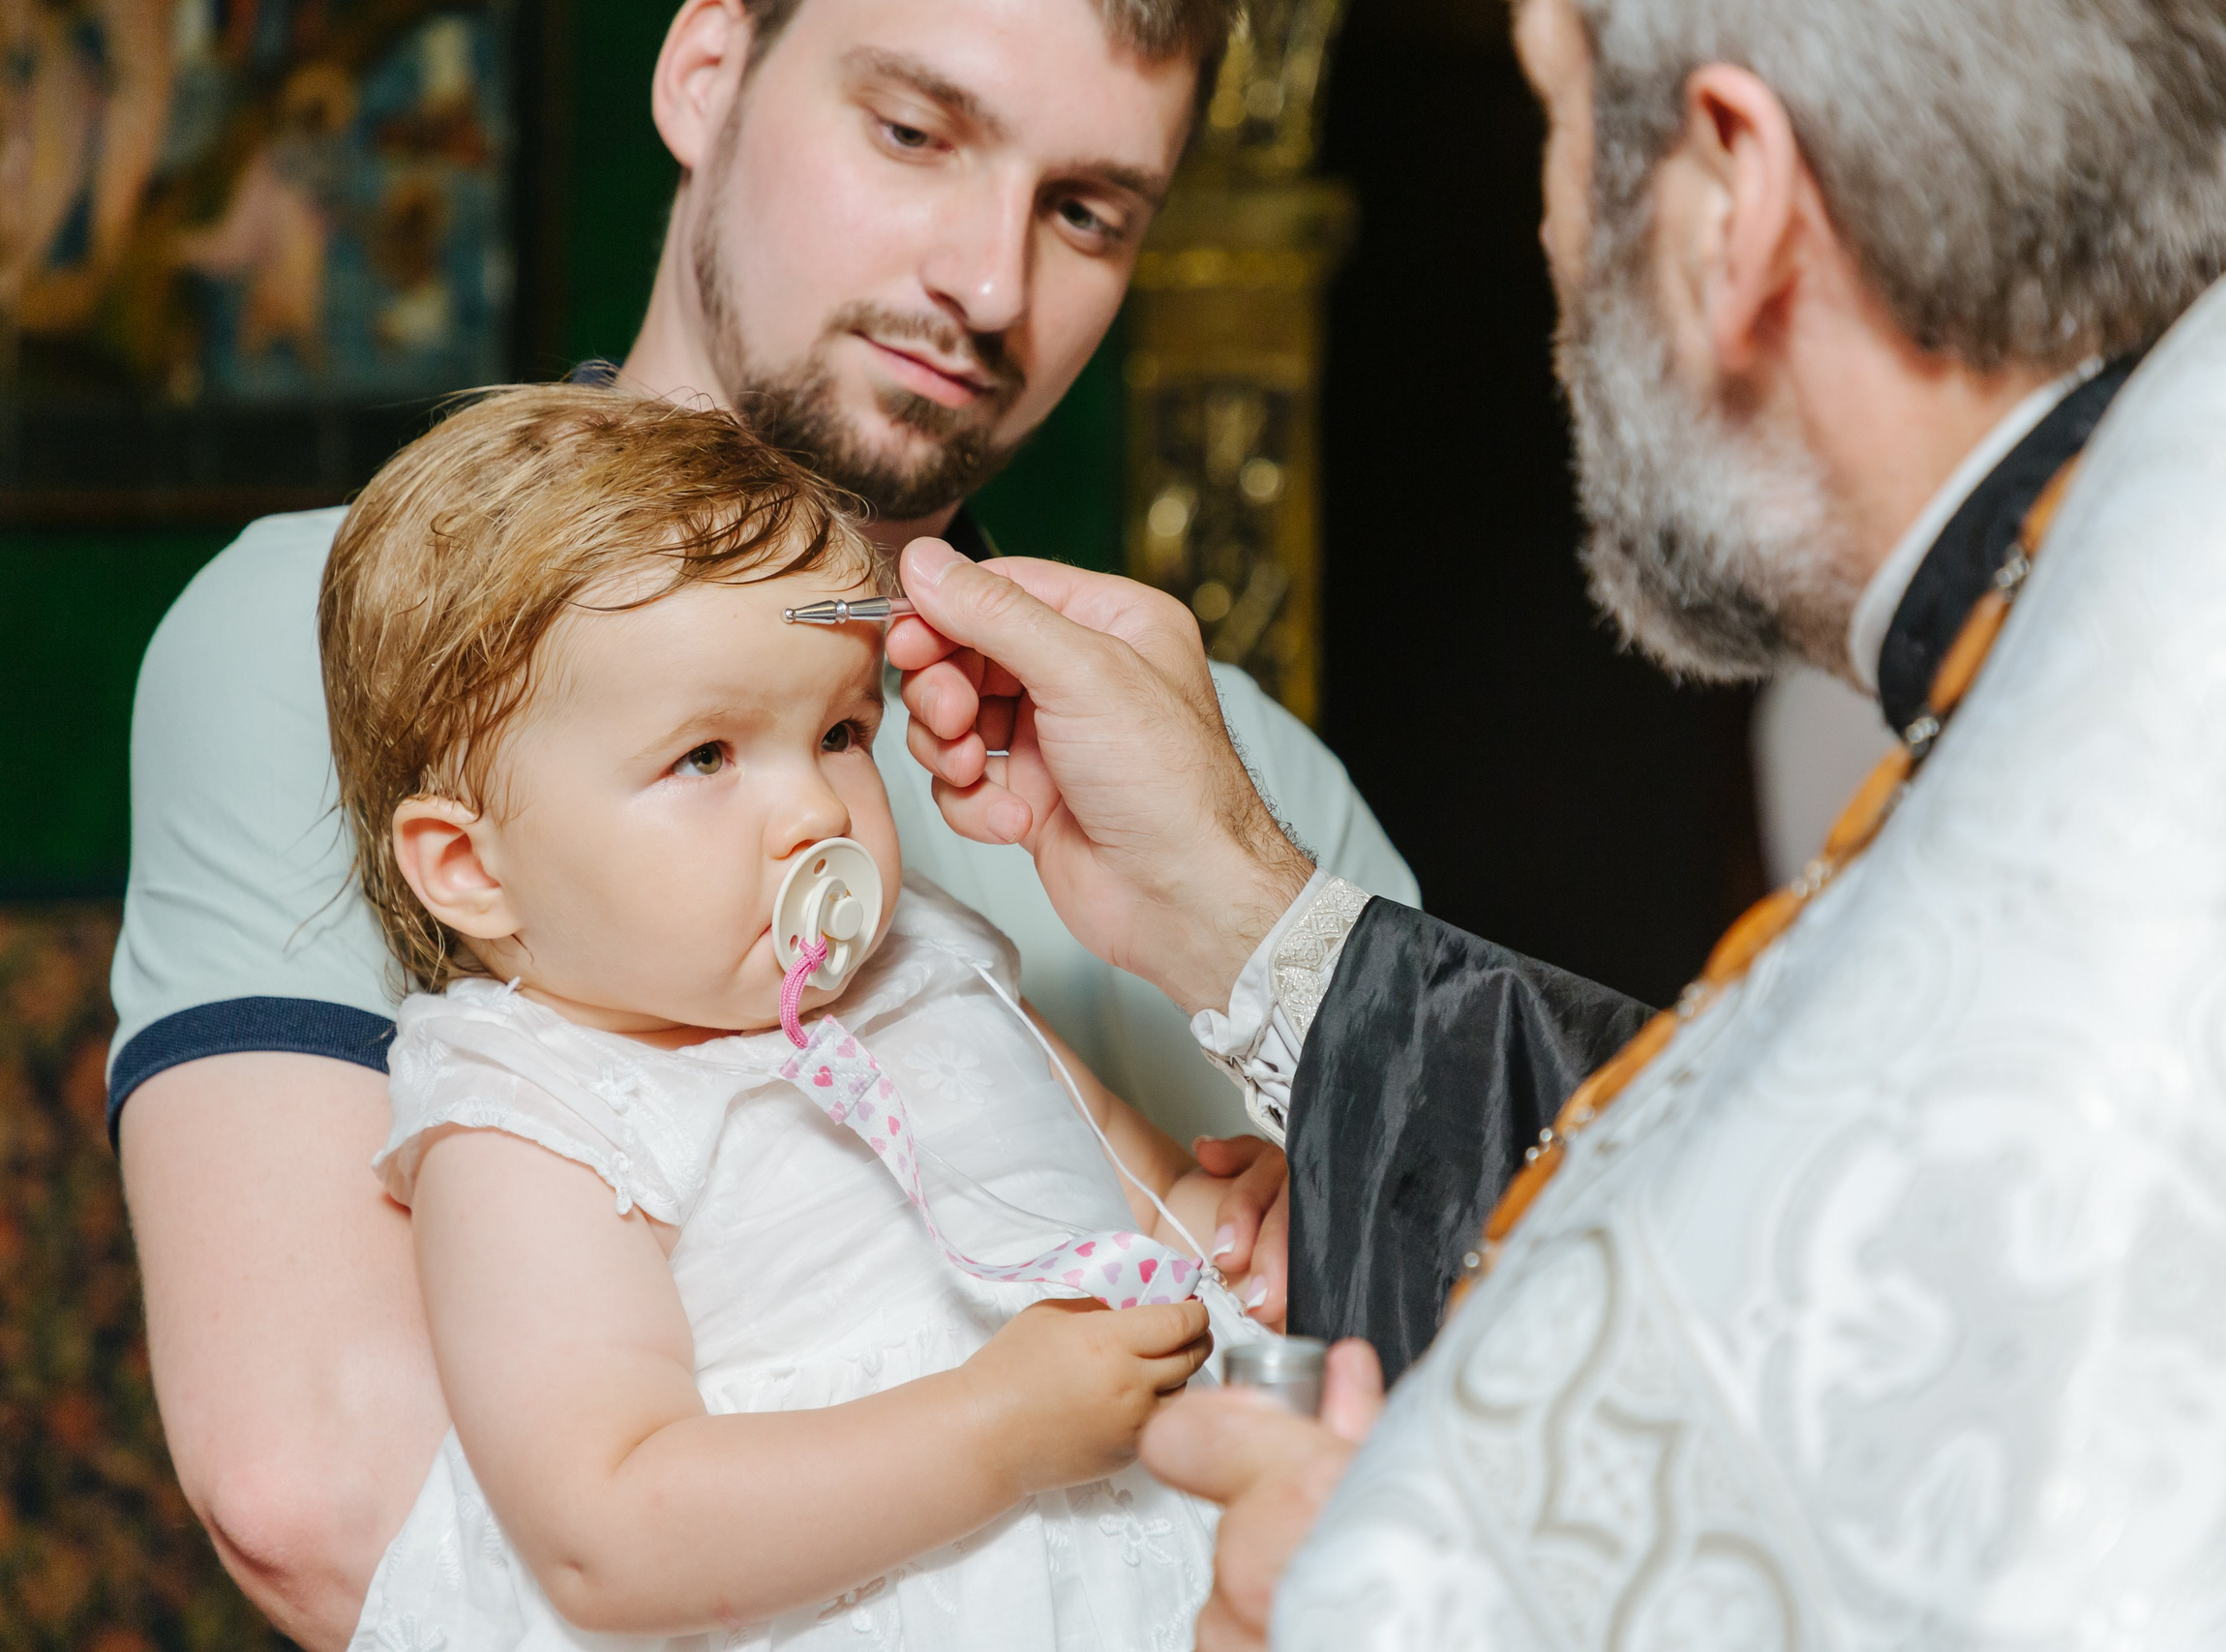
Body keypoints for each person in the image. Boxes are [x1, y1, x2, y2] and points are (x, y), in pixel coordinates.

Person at [879, 0, 2226, 1643]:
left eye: (1555, 127)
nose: (1551, 245)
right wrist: (1244, 917)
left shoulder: (2147, 762)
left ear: (1734, 199)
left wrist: (1386, 1602)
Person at [106, 2, 1413, 1645]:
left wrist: (1251, 963)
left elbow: (1487, 1410)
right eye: (914, 132)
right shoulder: (330, 633)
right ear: (704, 70)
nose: (990, 285)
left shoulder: (1253, 774)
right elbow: (317, 1496)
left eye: (1087, 211)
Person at [322, 382, 1279, 1649]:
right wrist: (994, 1430)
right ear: (470, 868)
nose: (820, 813)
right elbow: (606, 1532)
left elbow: (1137, 1195)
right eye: (706, 757)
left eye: (839, 731)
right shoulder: (535, 1119)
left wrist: (1243, 1228)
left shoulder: (922, 961)